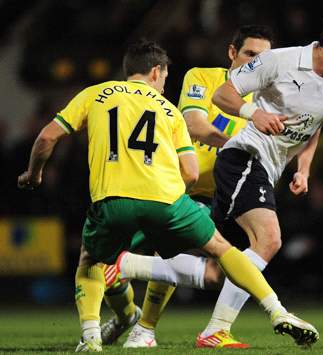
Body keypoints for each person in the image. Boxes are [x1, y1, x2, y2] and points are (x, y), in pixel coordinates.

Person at [17, 39, 318, 352]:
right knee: (220, 249)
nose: (164, 84)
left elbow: (46, 137)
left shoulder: (95, 94)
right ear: (156, 71)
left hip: (112, 199)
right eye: (164, 77)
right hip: (169, 199)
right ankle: (275, 311)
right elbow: (189, 170)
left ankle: (93, 335)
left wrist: (34, 173)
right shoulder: (170, 108)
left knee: (92, 260)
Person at [205, 7, 323, 346]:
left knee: (211, 262)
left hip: (268, 171)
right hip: (244, 157)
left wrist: (304, 168)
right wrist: (254, 113)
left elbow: (316, 126)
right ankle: (217, 330)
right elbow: (222, 94)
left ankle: (128, 265)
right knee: (268, 240)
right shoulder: (279, 61)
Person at [114, 25, 273, 349]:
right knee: (174, 251)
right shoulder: (203, 77)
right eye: (250, 55)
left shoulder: (268, 97)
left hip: (229, 193)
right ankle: (141, 322)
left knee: (219, 272)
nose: (256, 63)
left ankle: (131, 291)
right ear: (232, 52)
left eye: (264, 58)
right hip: (186, 182)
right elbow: (194, 125)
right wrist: (241, 142)